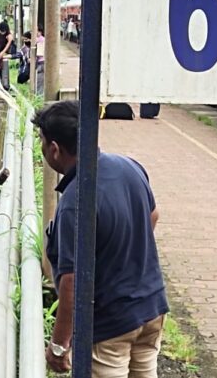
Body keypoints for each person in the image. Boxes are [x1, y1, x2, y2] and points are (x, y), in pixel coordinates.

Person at [33, 101, 168, 377]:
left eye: (42, 143)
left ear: (55, 149)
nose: (42, 149)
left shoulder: (74, 201)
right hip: (151, 309)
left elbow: (72, 282)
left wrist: (58, 345)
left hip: (110, 325)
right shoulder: (129, 167)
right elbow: (152, 216)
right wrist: (122, 254)